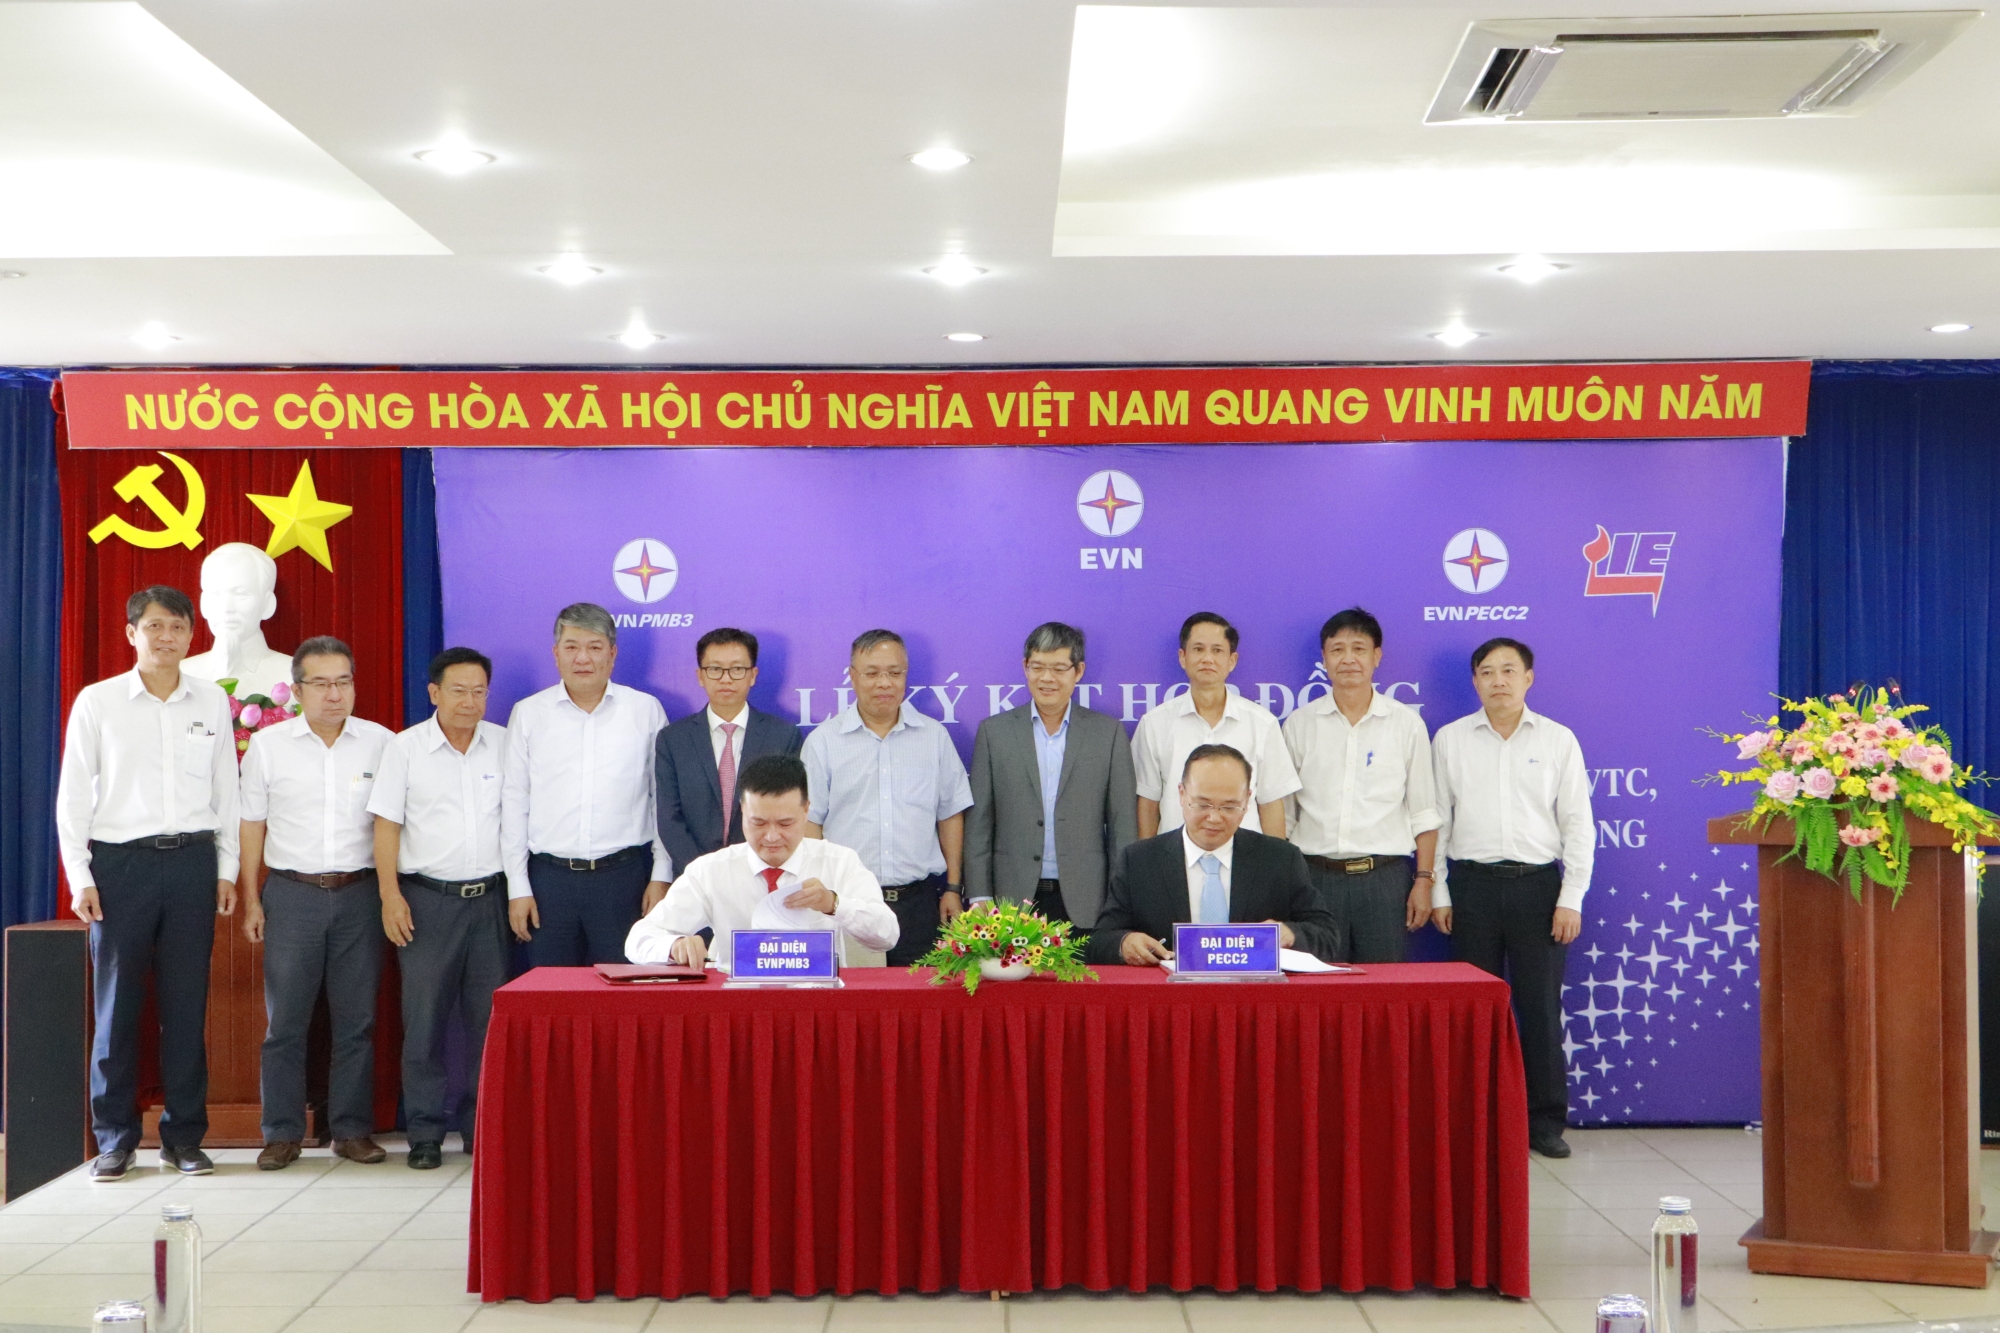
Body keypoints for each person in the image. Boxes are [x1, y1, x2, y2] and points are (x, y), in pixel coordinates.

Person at [56, 586, 239, 1182]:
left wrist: (227, 869)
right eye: (155, 626)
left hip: (191, 863)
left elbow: (227, 790)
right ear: (132, 633)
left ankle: (184, 1139)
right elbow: (73, 795)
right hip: (120, 867)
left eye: (178, 627)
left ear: (191, 635)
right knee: (117, 1008)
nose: (167, 637)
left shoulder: (211, 700)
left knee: (186, 1007)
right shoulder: (99, 701)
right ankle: (115, 1139)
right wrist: (80, 874)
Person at [1431, 637, 1594, 1160]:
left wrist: (1571, 897)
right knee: (1473, 1012)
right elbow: (1437, 821)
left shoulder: (1558, 739)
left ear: (1528, 678)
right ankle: (1473, 1121)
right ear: (1474, 681)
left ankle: (1544, 1123)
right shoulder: (1451, 740)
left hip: (1538, 890)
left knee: (1540, 1010)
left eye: (1508, 670)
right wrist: (1438, 890)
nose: (1497, 680)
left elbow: (1578, 824)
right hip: (1471, 888)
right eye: (1486, 671)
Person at [239, 635, 395, 1170]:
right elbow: (251, 824)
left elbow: (392, 824)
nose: (334, 694)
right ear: (298, 689)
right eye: (322, 684)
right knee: (286, 1022)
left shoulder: (381, 743)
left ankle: (350, 1130)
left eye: (343, 682)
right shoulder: (270, 746)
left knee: (357, 1020)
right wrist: (251, 897)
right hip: (292, 894)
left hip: (360, 894)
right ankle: (282, 1132)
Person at [368, 647, 507, 1169]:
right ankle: (425, 1132)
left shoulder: (504, 745)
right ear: (434, 693)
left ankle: (480, 1127)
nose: (470, 701)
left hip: (490, 902)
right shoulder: (405, 749)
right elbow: (386, 826)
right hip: (426, 902)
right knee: (424, 1022)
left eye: (479, 692)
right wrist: (390, 895)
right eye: (458, 691)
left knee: (487, 1022)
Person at [502, 603, 670, 966]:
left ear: (612, 654)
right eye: (572, 647)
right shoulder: (529, 713)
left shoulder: (645, 710)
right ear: (556, 653)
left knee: (622, 990)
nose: (582, 658)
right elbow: (514, 802)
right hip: (548, 883)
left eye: (594, 647)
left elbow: (663, 800)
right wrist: (517, 886)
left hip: (623, 881)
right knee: (550, 991)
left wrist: (661, 875)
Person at [625, 754, 899, 969]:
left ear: (806, 811)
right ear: (743, 811)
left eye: (785, 823)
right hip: (738, 1005)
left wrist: (834, 904)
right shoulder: (711, 870)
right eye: (758, 823)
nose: (771, 837)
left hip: (817, 1003)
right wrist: (673, 946)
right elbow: (638, 939)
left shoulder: (838, 862)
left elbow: (886, 935)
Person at [802, 629, 974, 967]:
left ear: (905, 675)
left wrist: (953, 887)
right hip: (848, 904)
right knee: (856, 998)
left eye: (894, 673)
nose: (884, 683)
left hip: (919, 905)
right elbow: (810, 825)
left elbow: (950, 814)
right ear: (853, 677)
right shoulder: (823, 743)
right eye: (872, 673)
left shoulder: (934, 738)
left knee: (920, 997)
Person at [1282, 607, 1441, 963]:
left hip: (1384, 881)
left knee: (1383, 987)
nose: (1348, 659)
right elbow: (1285, 817)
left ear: (1376, 656)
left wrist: (1423, 881)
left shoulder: (1406, 725)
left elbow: (1424, 812)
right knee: (1318, 986)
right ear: (1324, 658)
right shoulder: (1299, 724)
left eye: (1359, 649)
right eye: (1337, 649)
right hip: (1315, 879)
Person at [1087, 744, 1334, 966]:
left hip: (1252, 994)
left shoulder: (1280, 859)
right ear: (1181, 794)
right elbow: (1100, 940)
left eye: (1229, 806)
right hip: (1169, 995)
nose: (1214, 818)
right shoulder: (1139, 861)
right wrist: (1125, 943)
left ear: (1247, 801)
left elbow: (1328, 936)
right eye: (1203, 804)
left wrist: (1289, 934)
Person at [965, 622, 1138, 930]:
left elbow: (1122, 824)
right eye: (1038, 667)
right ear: (1025, 667)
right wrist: (979, 894)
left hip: (1088, 901)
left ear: (1078, 671)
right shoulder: (994, 733)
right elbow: (979, 823)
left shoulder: (1107, 733)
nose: (1047, 678)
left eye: (1059, 668)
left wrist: (1121, 900)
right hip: (1010, 902)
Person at [1133, 612, 1298, 838]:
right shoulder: (1154, 724)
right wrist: (1148, 857)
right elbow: (1148, 804)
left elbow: (1270, 804)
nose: (1207, 659)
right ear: (1182, 657)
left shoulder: (1261, 723)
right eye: (1198, 649)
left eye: (1217, 650)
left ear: (1232, 660)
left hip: (1245, 854)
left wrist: (1274, 860)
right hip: (1175, 854)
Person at [655, 628, 801, 873]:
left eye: (737, 669)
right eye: (715, 669)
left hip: (762, 873)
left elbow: (786, 812)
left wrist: (753, 869)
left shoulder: (782, 737)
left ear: (753, 675)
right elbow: (669, 818)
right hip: (695, 877)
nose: (726, 679)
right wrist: (704, 874)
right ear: (700, 676)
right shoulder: (673, 739)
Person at [180, 542, 295, 701]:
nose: (227, 608)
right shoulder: (179, 674)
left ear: (268, 604)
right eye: (216, 594)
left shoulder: (295, 676)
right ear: (203, 603)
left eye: (241, 594)